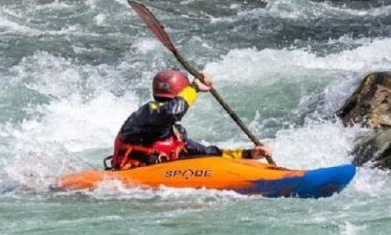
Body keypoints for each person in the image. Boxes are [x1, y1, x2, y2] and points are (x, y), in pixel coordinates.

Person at [109, 69, 272, 170]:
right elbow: (172, 112)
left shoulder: (175, 133)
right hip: (126, 179)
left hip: (154, 184)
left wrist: (249, 154)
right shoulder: (145, 116)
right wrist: (193, 88)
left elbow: (208, 153)